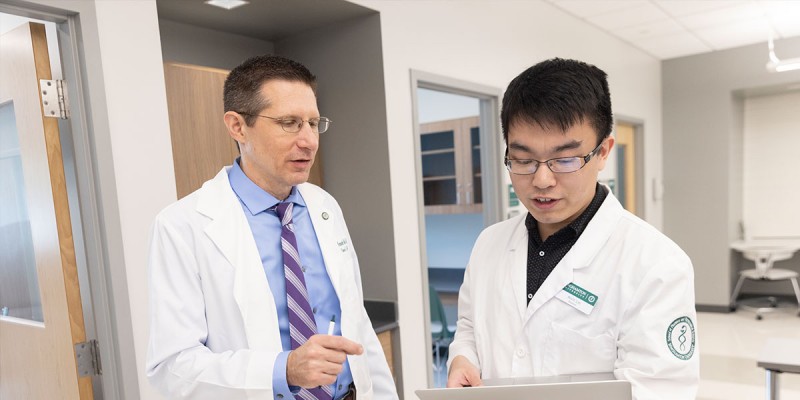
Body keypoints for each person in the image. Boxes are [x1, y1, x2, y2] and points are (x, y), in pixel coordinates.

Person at [146, 55, 398, 400]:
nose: (309, 141)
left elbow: (357, 325)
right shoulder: (181, 226)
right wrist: (283, 370)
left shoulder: (324, 206)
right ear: (237, 126)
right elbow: (172, 367)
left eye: (313, 123)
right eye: (290, 123)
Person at [446, 58, 699, 399]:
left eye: (565, 159)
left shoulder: (656, 264)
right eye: (523, 160)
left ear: (603, 152)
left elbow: (659, 391)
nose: (542, 180)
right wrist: (463, 359)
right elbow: (469, 327)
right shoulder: (489, 243)